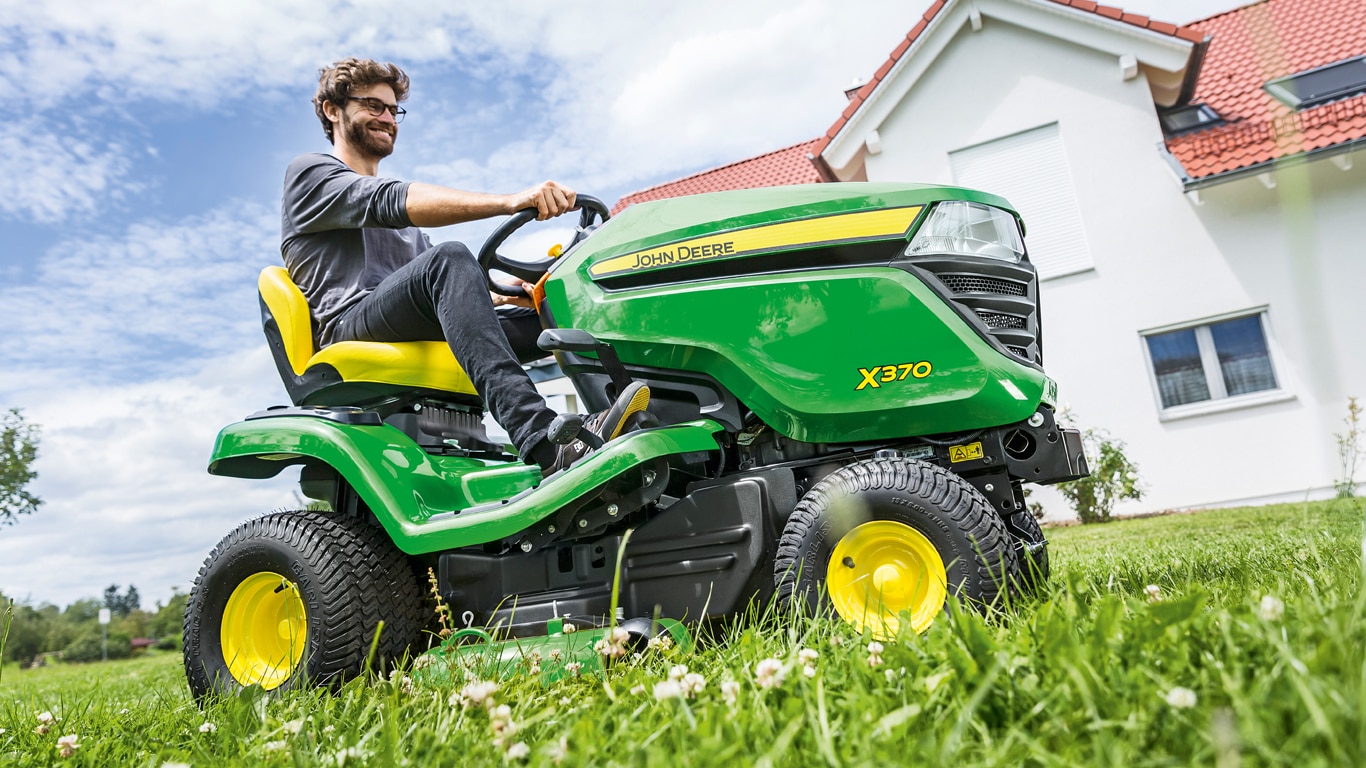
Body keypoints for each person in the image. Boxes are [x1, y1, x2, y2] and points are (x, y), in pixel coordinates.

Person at [280, 57, 646, 473]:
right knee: (450, 258)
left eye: (393, 110)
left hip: (409, 320)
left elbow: (449, 293)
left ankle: (637, 413)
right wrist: (509, 201)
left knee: (558, 313)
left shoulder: (409, 231)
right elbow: (400, 214)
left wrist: (517, 293)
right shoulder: (312, 174)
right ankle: (545, 441)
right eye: (373, 106)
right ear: (333, 110)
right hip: (349, 325)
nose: (387, 118)